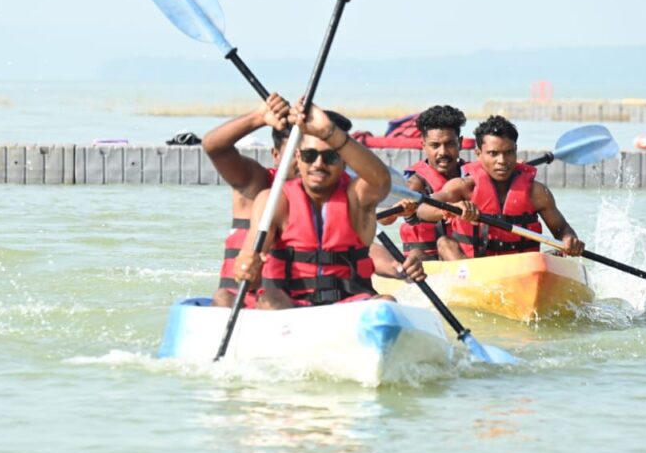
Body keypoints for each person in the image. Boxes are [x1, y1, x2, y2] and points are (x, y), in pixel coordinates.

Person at [205, 94, 424, 308]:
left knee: (385, 304)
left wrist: (398, 267)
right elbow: (214, 147)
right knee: (236, 298)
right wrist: (247, 263)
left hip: (345, 302)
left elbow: (361, 245)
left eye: (329, 156)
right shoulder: (265, 192)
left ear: (341, 160)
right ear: (297, 156)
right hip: (282, 303)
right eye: (309, 155)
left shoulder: (354, 193)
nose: (318, 164)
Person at [416, 115, 585, 259]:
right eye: (493, 153)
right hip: (473, 268)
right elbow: (422, 208)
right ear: (478, 154)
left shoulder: (536, 192)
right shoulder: (463, 187)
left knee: (557, 253)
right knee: (444, 243)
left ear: (516, 151)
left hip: (521, 268)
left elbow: (561, 229)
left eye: (508, 152)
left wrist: (570, 240)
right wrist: (451, 209)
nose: (502, 161)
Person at [202, 93, 291, 307]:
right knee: (223, 298)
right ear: (276, 155)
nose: (300, 161)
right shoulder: (255, 181)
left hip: (287, 305)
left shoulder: (323, 194)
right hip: (238, 301)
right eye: (292, 154)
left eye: (305, 154)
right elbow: (215, 147)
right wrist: (259, 117)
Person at [393, 104, 469, 260]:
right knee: (445, 243)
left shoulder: (472, 176)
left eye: (449, 144)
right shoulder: (415, 183)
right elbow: (386, 219)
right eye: (435, 145)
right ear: (423, 145)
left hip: (465, 255)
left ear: (460, 143)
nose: (442, 152)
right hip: (426, 261)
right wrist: (448, 210)